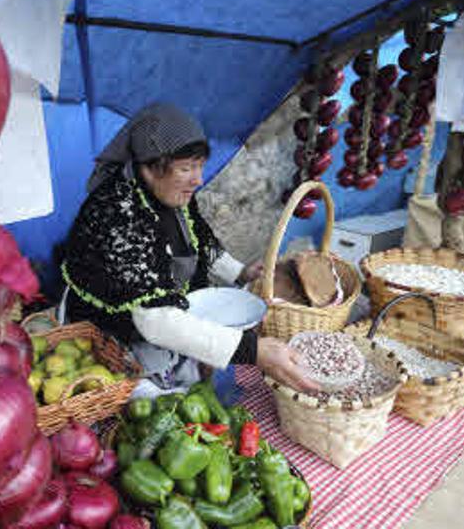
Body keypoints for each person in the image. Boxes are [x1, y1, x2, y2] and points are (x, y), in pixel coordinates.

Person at [59, 103, 317, 393]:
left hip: (164, 322)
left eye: (200, 166)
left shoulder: (172, 195)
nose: (198, 179)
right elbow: (153, 320)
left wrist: (241, 272)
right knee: (150, 401)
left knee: (203, 376)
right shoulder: (115, 213)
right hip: (113, 334)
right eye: (186, 168)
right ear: (149, 168)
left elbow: (200, 242)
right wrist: (254, 350)